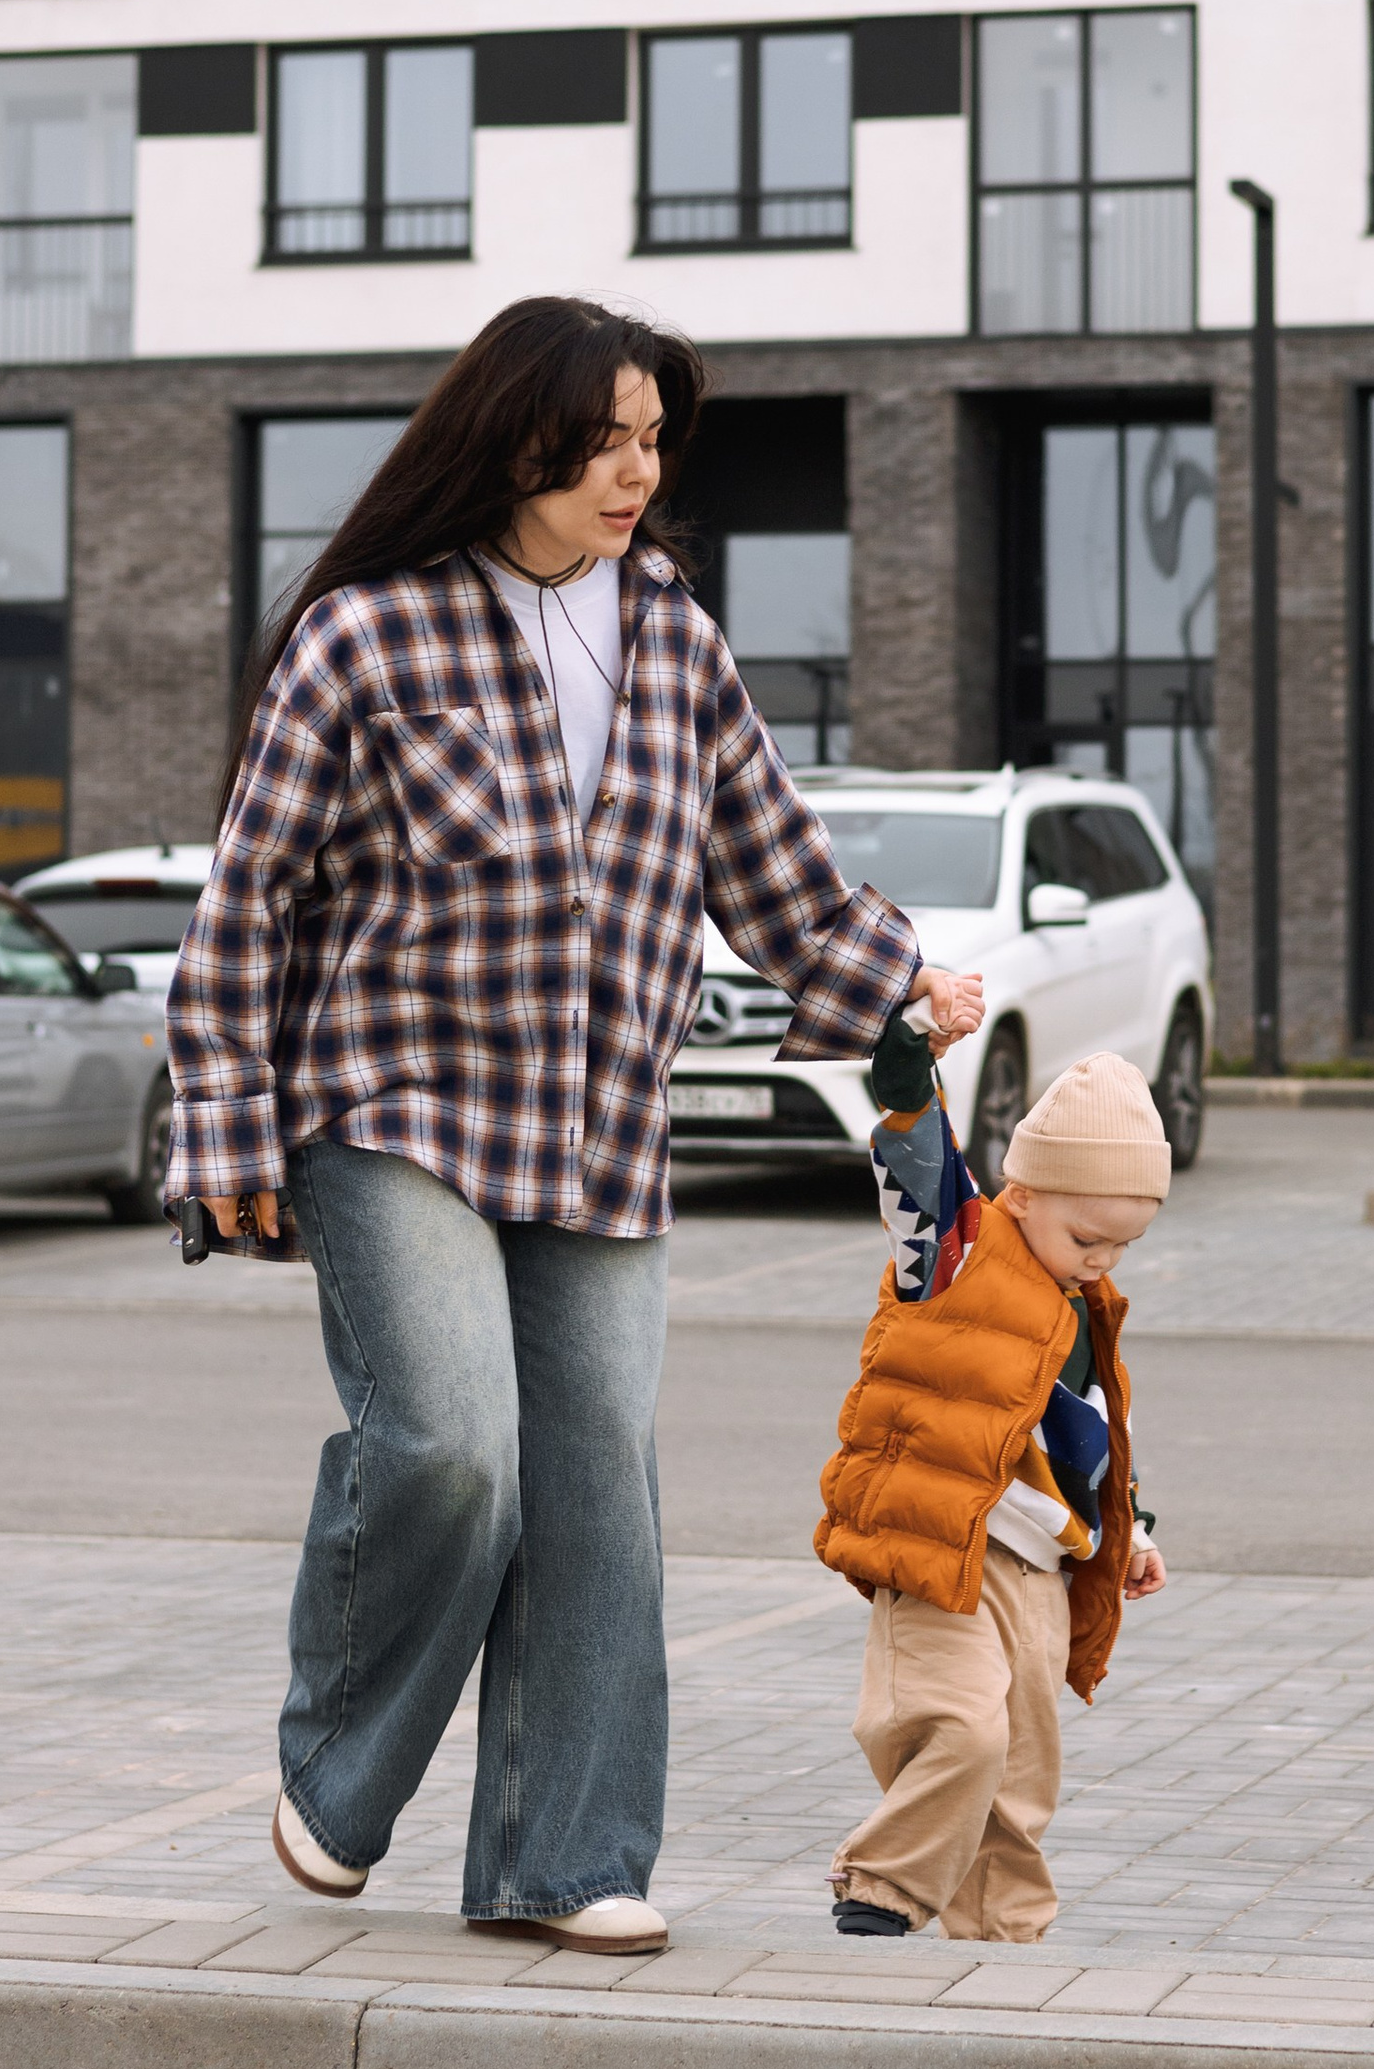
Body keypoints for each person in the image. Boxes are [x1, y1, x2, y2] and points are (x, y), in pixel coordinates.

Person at [165, 295, 976, 1953]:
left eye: (652, 440)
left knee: (600, 1490)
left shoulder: (670, 632)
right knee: (458, 1454)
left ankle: (565, 1856)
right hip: (392, 1108)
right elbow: (246, 907)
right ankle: (335, 1770)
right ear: (512, 439)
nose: (634, 471)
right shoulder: (369, 636)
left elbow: (773, 870)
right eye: (602, 438)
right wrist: (229, 1129)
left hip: (597, 1128)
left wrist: (900, 986)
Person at [815, 1034, 1171, 1942]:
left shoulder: (1085, 1307)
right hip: (948, 1553)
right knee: (959, 1731)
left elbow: (1089, 1435)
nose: (1103, 1261)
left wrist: (1130, 1531)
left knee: (1019, 1776)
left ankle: (1006, 1943)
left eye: (1125, 1245)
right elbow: (915, 1146)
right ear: (1026, 1192)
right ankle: (882, 1892)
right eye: (1087, 1237)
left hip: (1043, 1576)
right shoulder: (957, 1251)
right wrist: (907, 1052)